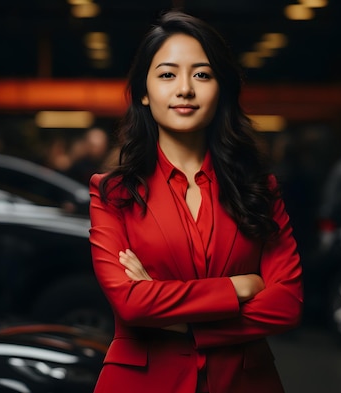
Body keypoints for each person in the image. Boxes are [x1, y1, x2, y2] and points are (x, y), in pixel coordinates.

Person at [88, 10, 303, 393]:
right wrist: (239, 286)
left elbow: (286, 305)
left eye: (202, 74)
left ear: (220, 89)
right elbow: (131, 305)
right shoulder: (113, 193)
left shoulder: (259, 189)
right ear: (143, 90)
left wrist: (178, 321)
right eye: (167, 74)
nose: (185, 88)